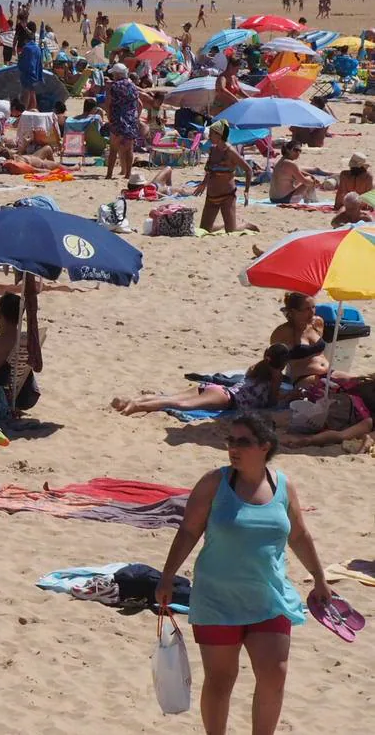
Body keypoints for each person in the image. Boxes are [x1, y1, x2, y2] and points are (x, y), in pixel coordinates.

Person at [155, 414, 330, 735]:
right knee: (221, 679)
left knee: (274, 675)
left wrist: (319, 578)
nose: (233, 448)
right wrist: (167, 576)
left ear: (265, 446)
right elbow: (188, 531)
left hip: (269, 597)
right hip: (217, 598)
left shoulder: (283, 486)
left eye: (243, 442)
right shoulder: (214, 483)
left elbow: (299, 536)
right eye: (230, 441)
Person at [111, 345, 287, 416]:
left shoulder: (256, 368)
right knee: (178, 404)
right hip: (227, 399)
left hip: (218, 389)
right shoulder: (274, 377)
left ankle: (132, 400)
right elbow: (270, 403)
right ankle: (136, 406)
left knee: (171, 397)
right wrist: (283, 389)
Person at [269, 292, 343, 390]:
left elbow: (318, 353)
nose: (312, 312)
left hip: (329, 373)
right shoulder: (282, 333)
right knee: (334, 392)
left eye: (313, 307)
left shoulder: (317, 323)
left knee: (360, 383)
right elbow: (274, 364)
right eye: (307, 309)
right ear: (293, 311)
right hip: (303, 378)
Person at [195, 121, 256, 233]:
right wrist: (203, 183)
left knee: (231, 231)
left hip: (227, 196)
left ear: (219, 135)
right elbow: (209, 170)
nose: (209, 136)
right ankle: (224, 225)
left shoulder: (230, 151)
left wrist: (247, 190)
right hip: (211, 196)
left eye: (211, 134)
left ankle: (245, 225)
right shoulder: (213, 149)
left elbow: (248, 169)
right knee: (203, 230)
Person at [104, 63, 141, 180]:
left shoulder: (114, 87)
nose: (113, 76)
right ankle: (128, 174)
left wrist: (109, 118)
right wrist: (136, 117)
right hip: (130, 119)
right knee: (129, 148)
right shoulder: (133, 86)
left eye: (114, 74)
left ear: (117, 74)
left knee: (114, 148)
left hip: (117, 119)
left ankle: (109, 174)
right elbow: (140, 104)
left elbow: (108, 103)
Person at [269, 140, 320, 204]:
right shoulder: (291, 164)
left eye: (300, 151)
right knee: (309, 180)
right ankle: (312, 200)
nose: (298, 153)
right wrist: (313, 181)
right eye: (296, 150)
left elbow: (297, 172)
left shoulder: (280, 162)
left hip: (273, 199)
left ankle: (311, 199)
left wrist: (311, 175)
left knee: (308, 178)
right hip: (285, 200)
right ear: (288, 150)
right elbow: (305, 181)